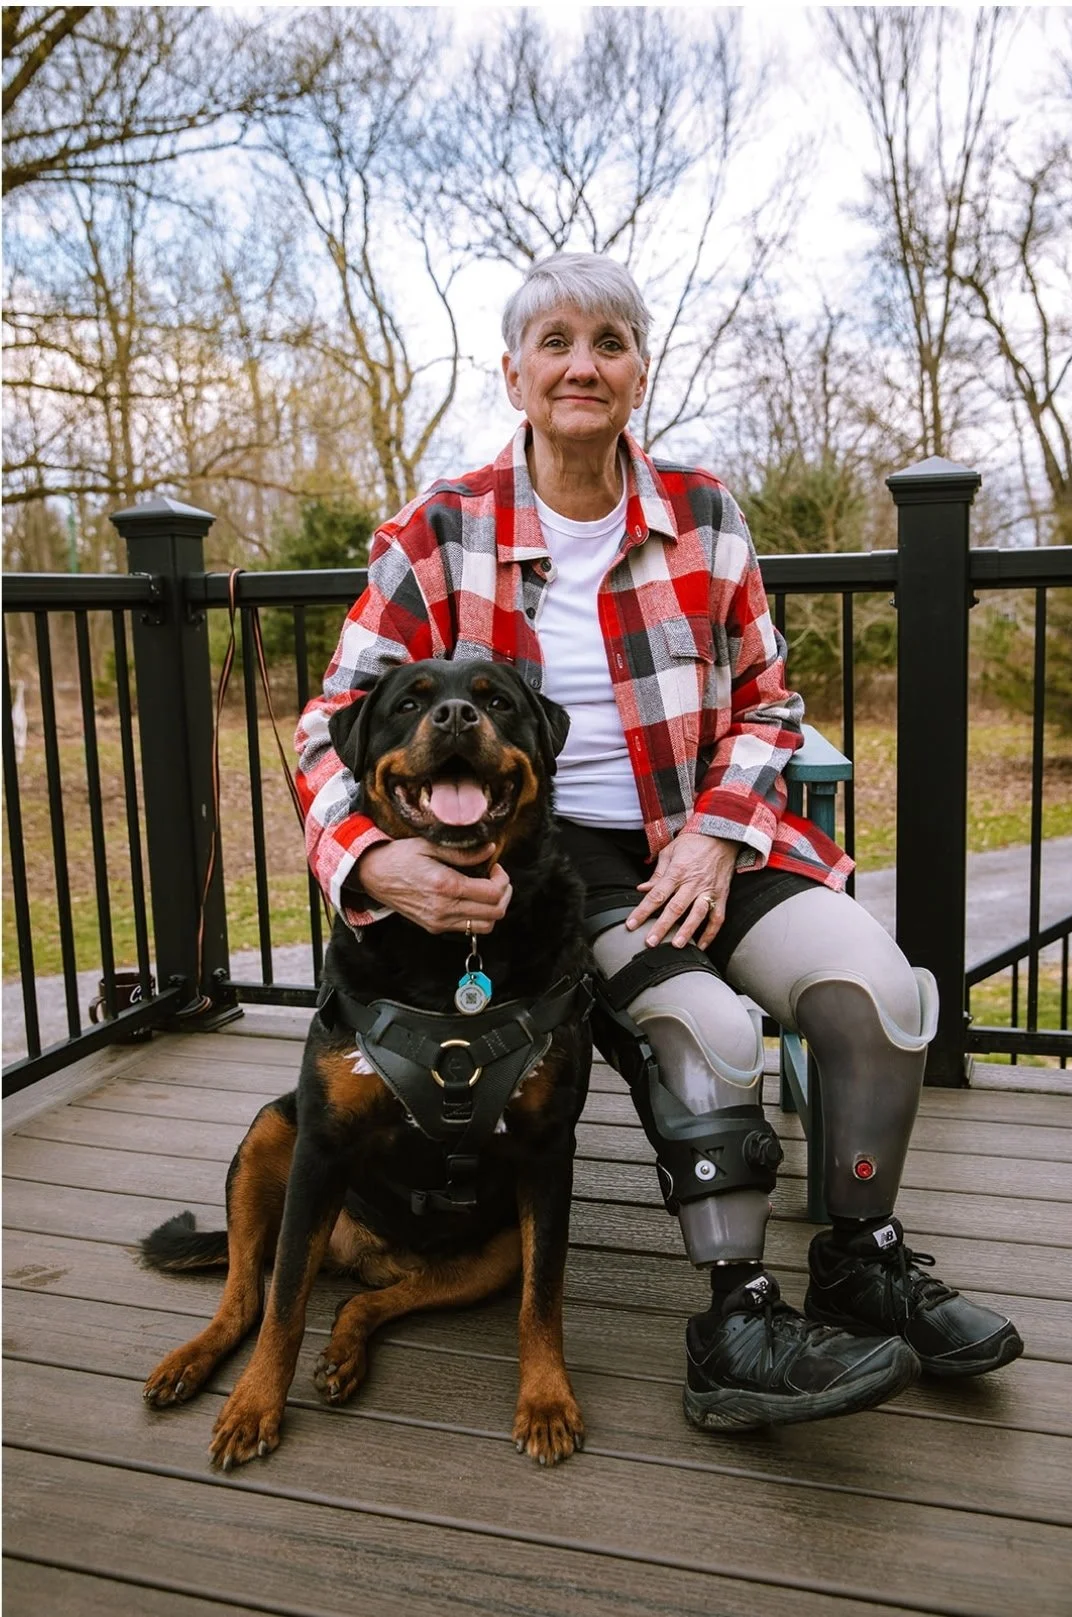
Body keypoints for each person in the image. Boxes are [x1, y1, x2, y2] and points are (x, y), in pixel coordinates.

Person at [296, 252, 1022, 1431]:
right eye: (556, 342)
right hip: (553, 868)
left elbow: (770, 701)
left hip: (718, 836)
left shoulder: (703, 512)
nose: (583, 363)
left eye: (610, 342)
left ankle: (862, 1256)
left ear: (640, 369)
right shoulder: (439, 529)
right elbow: (328, 722)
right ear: (515, 372)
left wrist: (715, 838)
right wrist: (371, 861)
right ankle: (736, 1321)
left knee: (878, 996)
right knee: (710, 1030)